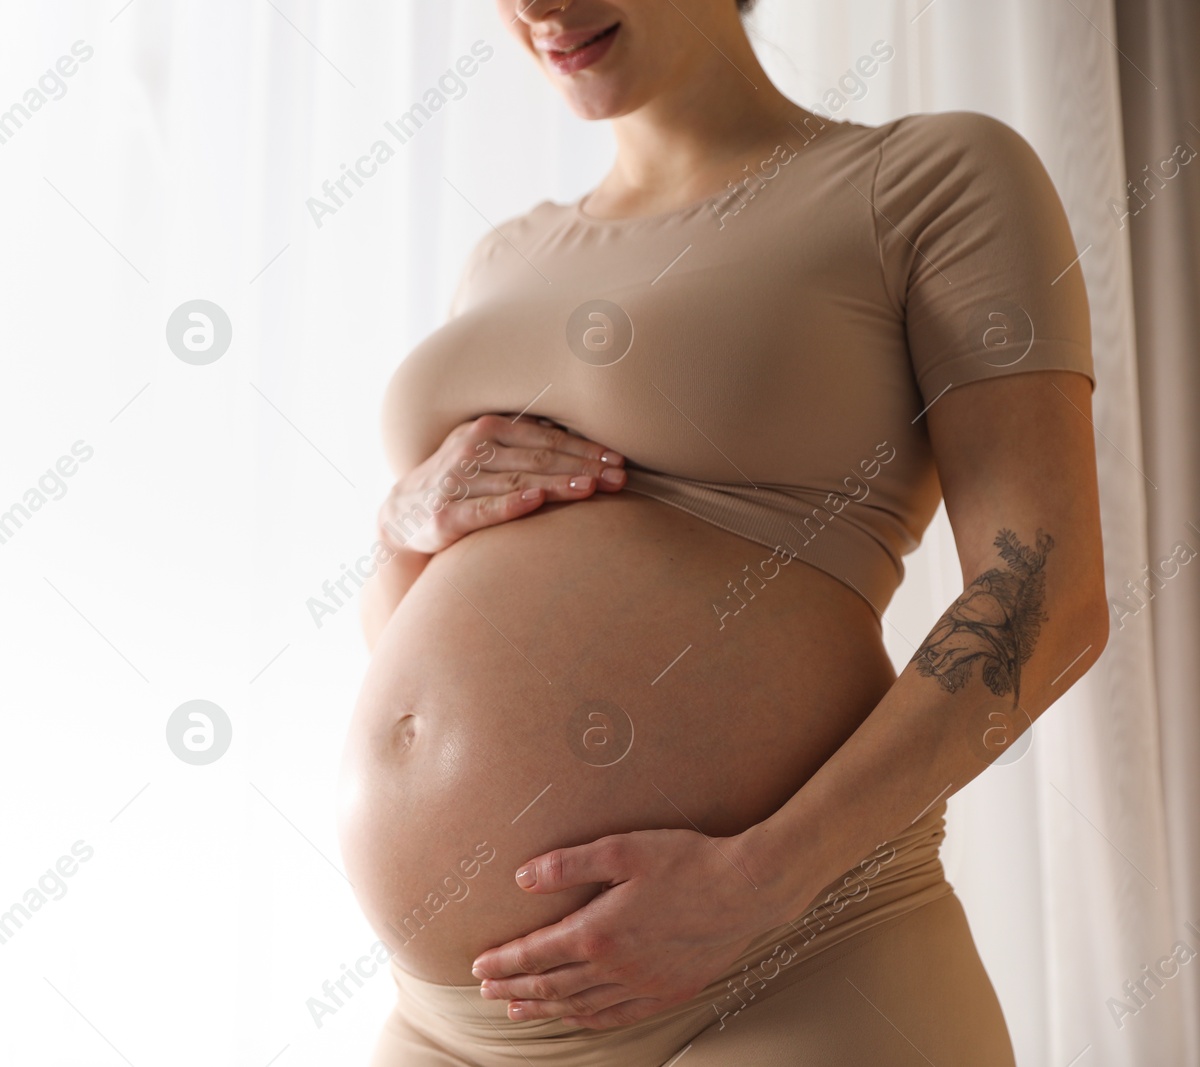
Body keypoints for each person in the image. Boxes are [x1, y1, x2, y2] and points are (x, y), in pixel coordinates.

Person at [334, 0, 1108, 1063]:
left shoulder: (930, 178)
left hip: (794, 967)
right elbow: (422, 635)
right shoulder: (503, 257)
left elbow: (1048, 595)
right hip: (457, 1021)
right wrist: (401, 521)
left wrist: (761, 881)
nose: (541, 10)